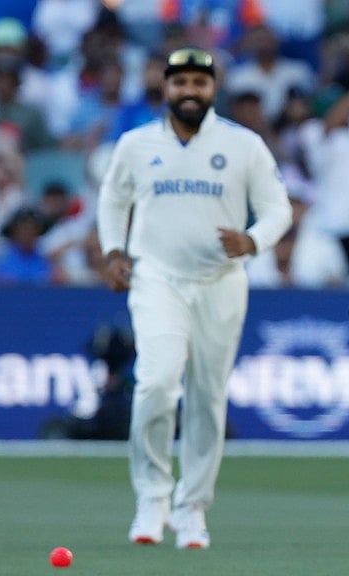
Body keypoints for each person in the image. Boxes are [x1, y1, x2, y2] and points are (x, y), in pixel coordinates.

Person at [97, 47, 292, 550]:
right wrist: (113, 250)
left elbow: (278, 210)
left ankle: (192, 509)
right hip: (156, 277)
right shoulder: (136, 144)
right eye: (180, 83)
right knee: (156, 383)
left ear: (213, 89)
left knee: (207, 397)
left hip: (221, 281)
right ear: (166, 87)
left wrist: (252, 241)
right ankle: (152, 498)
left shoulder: (243, 144)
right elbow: (113, 199)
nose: (189, 92)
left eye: (199, 84)